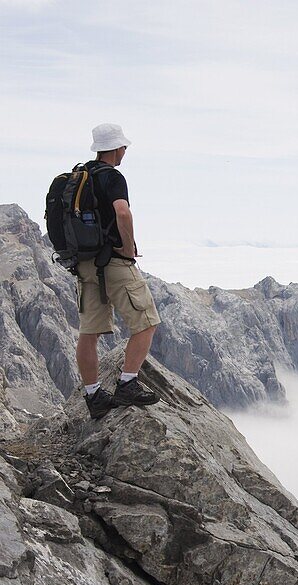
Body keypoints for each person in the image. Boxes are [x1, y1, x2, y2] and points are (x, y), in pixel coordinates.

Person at [76, 123, 161, 419]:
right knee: (146, 321)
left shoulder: (80, 175)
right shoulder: (112, 176)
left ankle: (94, 395)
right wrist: (127, 249)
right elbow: (122, 212)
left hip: (84, 262)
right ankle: (127, 383)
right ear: (116, 148)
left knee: (89, 332)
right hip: (112, 261)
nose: (125, 151)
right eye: (123, 146)